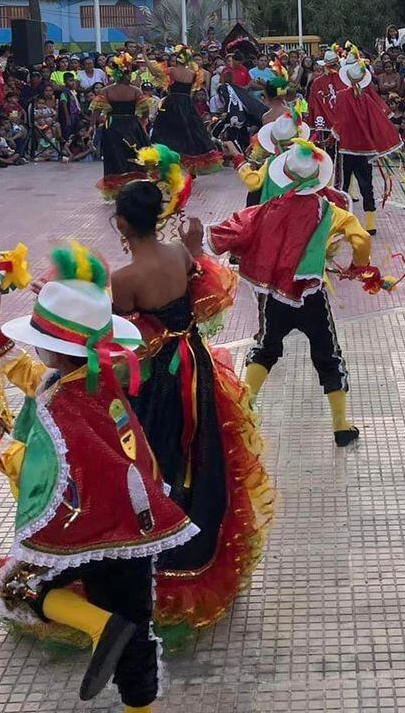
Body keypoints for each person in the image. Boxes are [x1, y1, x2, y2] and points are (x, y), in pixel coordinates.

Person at [0, 243, 194, 709]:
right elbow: (33, 375)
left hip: (94, 526)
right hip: (134, 521)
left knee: (21, 587)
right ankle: (129, 671)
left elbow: (40, 473)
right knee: (136, 627)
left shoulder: (64, 407)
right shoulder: (95, 376)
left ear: (56, 351)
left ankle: (103, 628)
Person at [96, 169, 274, 638]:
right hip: (195, 364)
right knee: (201, 450)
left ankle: (161, 551)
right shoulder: (178, 253)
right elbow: (201, 299)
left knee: (156, 456)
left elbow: (115, 338)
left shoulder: (125, 277)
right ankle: (202, 539)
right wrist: (194, 246)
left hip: (158, 380)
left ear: (121, 225)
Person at [208, 140, 373, 446]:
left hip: (274, 296)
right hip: (311, 296)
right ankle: (340, 426)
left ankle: (243, 411)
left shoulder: (269, 208)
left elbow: (236, 229)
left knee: (267, 348)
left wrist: (203, 239)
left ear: (287, 174)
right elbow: (361, 239)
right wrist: (358, 267)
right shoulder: (330, 210)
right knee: (327, 355)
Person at [321, 52, 404, 236]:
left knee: (342, 185)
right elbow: (377, 120)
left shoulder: (342, 96)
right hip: (365, 150)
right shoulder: (366, 99)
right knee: (367, 186)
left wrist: (331, 136)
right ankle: (370, 224)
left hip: (346, 148)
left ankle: (341, 221)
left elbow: (340, 122)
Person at [146, 46, 222, 174]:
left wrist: (144, 55)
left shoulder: (172, 70)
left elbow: (154, 72)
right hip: (186, 103)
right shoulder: (193, 73)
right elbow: (193, 90)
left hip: (172, 104)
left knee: (167, 132)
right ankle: (189, 166)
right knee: (190, 133)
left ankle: (168, 162)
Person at [94, 57, 151, 200]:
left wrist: (93, 125)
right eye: (129, 73)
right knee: (134, 156)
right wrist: (142, 121)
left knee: (115, 157)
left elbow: (95, 111)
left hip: (113, 126)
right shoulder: (135, 91)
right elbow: (145, 111)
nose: (130, 75)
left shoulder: (107, 91)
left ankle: (118, 190)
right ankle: (136, 187)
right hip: (132, 126)